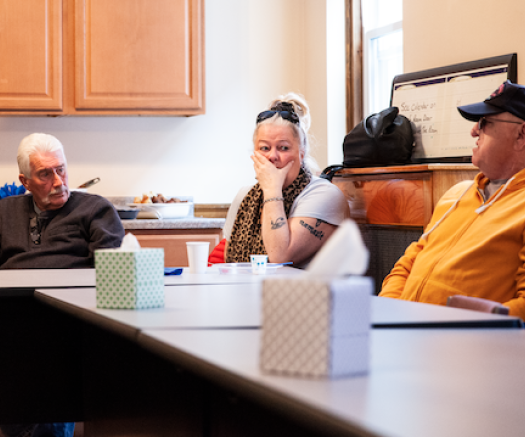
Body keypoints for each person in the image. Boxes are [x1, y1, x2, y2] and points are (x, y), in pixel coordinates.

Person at [0, 132, 124, 437]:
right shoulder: (3, 212)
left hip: (69, 325)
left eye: (61, 169)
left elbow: (112, 275)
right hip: (12, 327)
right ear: (24, 181)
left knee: (44, 374)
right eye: (45, 174)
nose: (58, 181)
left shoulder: (95, 210)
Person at [380, 81, 525, 319]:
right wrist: (389, 313)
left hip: (467, 346)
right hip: (402, 334)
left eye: (485, 123)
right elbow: (408, 262)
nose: (474, 131)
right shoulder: (457, 193)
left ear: (521, 134)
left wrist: (469, 324)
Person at [221, 93, 349, 267]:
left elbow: (279, 256)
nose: (272, 156)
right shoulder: (245, 196)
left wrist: (272, 189)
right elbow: (227, 260)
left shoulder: (325, 195)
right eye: (264, 148)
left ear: (301, 154)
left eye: (283, 148)